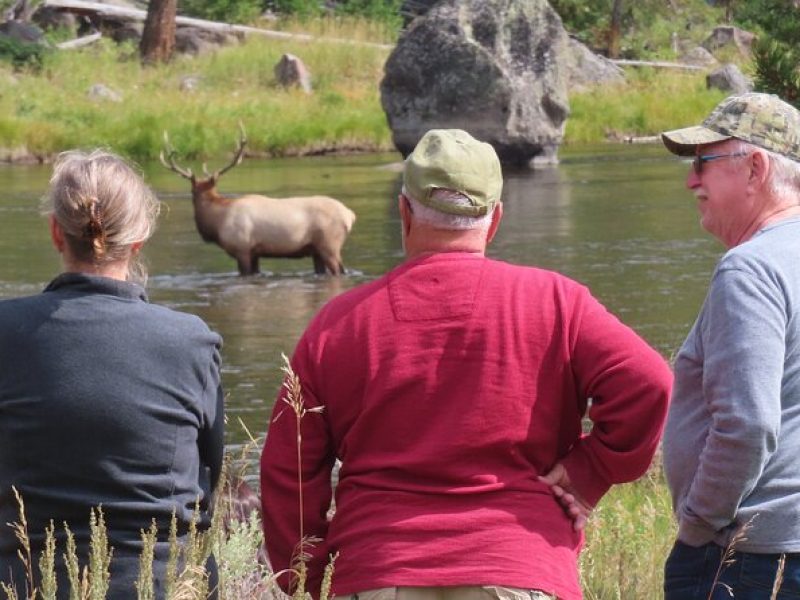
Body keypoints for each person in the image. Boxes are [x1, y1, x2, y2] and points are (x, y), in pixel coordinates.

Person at [259, 129, 672, 600]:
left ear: (404, 212)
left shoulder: (336, 325)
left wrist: (308, 582)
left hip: (378, 572)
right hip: (521, 569)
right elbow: (650, 381)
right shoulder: (558, 302)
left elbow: (288, 472)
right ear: (494, 219)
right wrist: (591, 470)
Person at [0, 150, 225, 599]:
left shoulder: (6, 333)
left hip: (27, 585)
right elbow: (208, 478)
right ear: (138, 240)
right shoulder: (190, 341)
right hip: (161, 585)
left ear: (54, 233)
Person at [660, 92, 800, 599]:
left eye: (703, 162)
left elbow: (748, 425)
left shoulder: (752, 269)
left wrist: (700, 526)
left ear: (755, 168)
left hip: (755, 562)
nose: (691, 180)